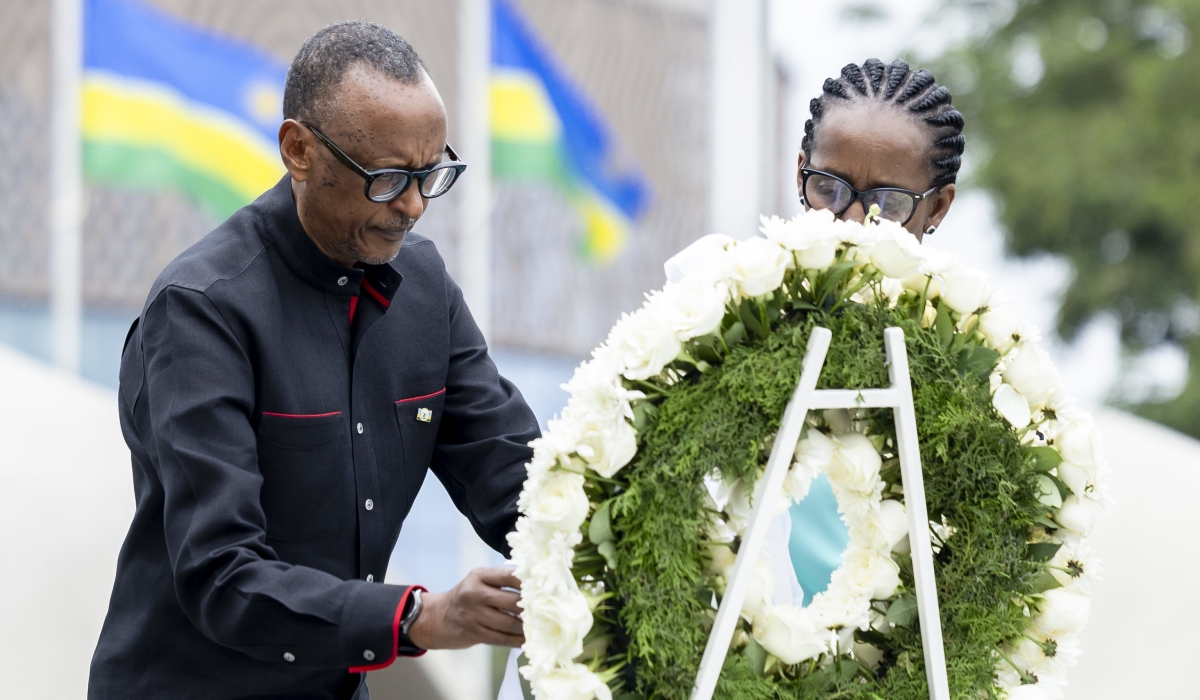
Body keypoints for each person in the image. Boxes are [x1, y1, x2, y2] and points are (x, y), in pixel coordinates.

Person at [89, 22, 538, 700]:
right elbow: (223, 575)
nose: (415, 205)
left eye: (431, 173)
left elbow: (520, 485)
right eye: (388, 179)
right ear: (298, 150)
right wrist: (420, 615)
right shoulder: (200, 310)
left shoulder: (426, 290)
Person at [788, 58, 964, 601]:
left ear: (937, 205)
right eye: (829, 188)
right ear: (801, 173)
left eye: (889, 204)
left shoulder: (969, 360)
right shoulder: (720, 308)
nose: (851, 221)